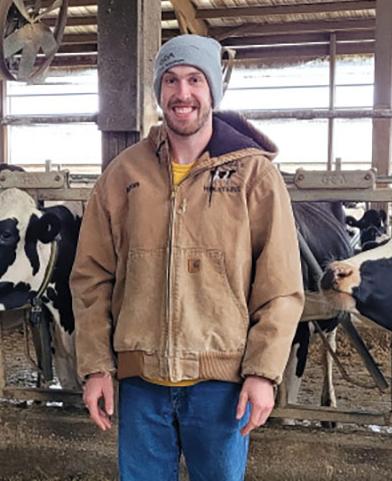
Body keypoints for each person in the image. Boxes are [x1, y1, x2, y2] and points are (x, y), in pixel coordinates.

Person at [70, 34, 304, 481]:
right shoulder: (125, 173)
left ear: (212, 89)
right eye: (171, 80)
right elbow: (91, 276)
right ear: (158, 92)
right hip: (141, 384)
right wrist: (97, 366)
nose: (183, 94)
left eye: (195, 79)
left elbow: (281, 286)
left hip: (221, 384)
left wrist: (263, 372)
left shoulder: (254, 174)